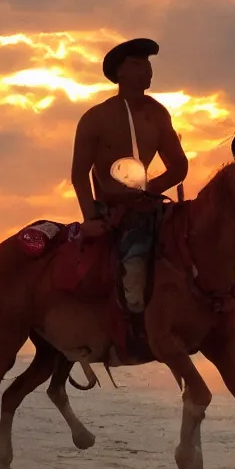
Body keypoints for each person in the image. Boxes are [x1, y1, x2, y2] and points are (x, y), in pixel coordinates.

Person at [70, 38, 189, 312]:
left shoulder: (158, 114)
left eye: (148, 64)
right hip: (114, 212)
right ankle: (132, 319)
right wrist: (91, 218)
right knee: (134, 269)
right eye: (137, 64)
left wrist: (150, 192)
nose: (146, 70)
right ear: (119, 73)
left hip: (150, 207)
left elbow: (179, 166)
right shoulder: (95, 118)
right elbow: (79, 175)